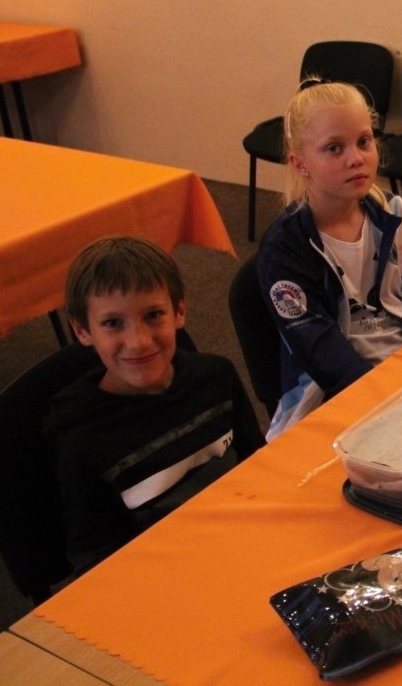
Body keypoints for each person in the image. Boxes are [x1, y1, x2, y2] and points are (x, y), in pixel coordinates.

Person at [44, 236, 264, 574]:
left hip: (248, 541)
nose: (138, 342)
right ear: (82, 330)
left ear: (179, 312)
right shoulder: (81, 436)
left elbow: (259, 466)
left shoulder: (216, 377)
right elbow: (97, 560)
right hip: (165, 575)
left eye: (153, 315)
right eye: (112, 323)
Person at [257, 79, 402, 440]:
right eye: (334, 148)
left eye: (364, 141)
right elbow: (325, 357)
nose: (356, 158)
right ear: (300, 163)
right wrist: (398, 401)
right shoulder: (285, 248)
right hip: (331, 396)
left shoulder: (394, 213)